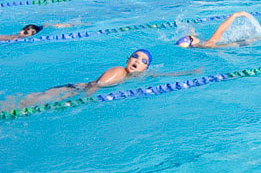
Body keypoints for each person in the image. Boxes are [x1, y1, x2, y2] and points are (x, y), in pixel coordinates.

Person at [6, 50, 155, 109]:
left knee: (26, 101)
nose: (137, 61)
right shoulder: (119, 71)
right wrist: (85, 101)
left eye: (143, 61)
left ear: (145, 68)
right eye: (135, 56)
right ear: (128, 59)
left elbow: (158, 75)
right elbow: (98, 85)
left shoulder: (133, 75)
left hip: (75, 89)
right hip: (75, 90)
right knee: (23, 104)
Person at [176, 12, 261, 49]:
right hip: (240, 44)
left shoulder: (198, 45)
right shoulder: (205, 44)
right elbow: (220, 31)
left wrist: (191, 30)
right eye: (191, 36)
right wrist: (234, 15)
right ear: (191, 40)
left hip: (234, 45)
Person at [1, 22, 73, 42]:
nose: (22, 32)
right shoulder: (16, 36)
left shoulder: (17, 36)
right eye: (24, 30)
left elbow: (44, 25)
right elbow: (45, 25)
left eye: (26, 32)